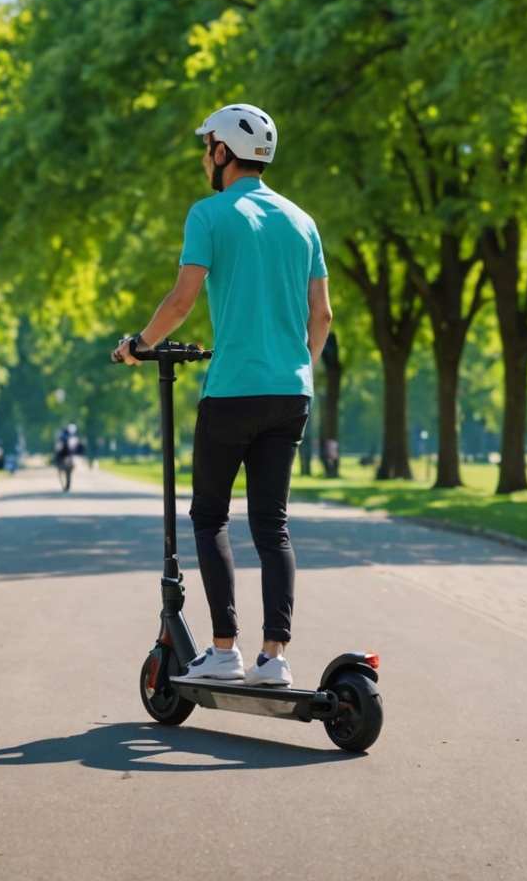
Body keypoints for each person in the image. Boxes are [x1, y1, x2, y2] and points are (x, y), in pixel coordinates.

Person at [115, 103, 329, 690]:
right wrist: (297, 370)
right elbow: (323, 315)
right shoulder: (302, 221)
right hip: (291, 393)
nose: (205, 156)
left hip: (232, 391)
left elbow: (182, 301)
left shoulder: (209, 214)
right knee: (272, 526)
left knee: (210, 517)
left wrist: (139, 343)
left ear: (223, 152)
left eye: (207, 146)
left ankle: (224, 649)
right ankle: (275, 659)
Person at [54, 423, 84, 491]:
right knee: (58, 454)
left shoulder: (73, 437)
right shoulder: (63, 435)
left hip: (69, 454)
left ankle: (63, 466)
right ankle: (58, 464)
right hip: (64, 453)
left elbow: (76, 448)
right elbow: (59, 446)